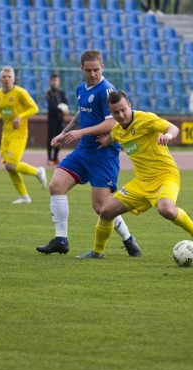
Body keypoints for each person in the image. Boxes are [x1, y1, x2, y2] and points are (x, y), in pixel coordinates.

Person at [72, 90, 193, 259]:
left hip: (166, 176)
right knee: (106, 212)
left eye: (124, 109)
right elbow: (115, 137)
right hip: (141, 182)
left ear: (129, 105)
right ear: (111, 113)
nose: (121, 115)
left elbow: (172, 128)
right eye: (116, 112)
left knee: (166, 209)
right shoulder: (117, 130)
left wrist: (167, 135)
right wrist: (105, 141)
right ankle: (97, 252)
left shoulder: (146, 119)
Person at [36, 51, 141, 258]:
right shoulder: (80, 89)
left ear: (102, 67)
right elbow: (81, 113)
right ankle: (61, 239)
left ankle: (128, 239)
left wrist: (80, 132)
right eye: (89, 70)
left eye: (96, 69)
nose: (93, 74)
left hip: (104, 153)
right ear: (82, 69)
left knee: (101, 207)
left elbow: (111, 122)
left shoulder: (107, 91)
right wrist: (64, 133)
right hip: (83, 150)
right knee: (56, 185)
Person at [0, 66, 46, 204]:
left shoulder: (20, 92)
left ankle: (38, 172)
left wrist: (20, 116)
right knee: (8, 166)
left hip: (19, 133)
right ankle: (24, 197)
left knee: (11, 165)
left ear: (13, 78)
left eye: (9, 77)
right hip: (6, 134)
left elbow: (34, 108)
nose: (6, 79)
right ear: (0, 79)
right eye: (4, 77)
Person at [45, 72, 69, 166]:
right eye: (53, 80)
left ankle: (55, 158)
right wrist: (61, 109)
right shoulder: (48, 93)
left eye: (56, 80)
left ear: (58, 81)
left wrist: (66, 109)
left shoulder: (61, 93)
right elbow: (51, 106)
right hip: (52, 119)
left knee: (60, 138)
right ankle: (49, 158)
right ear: (50, 81)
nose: (55, 82)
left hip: (60, 119)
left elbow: (66, 103)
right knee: (50, 138)